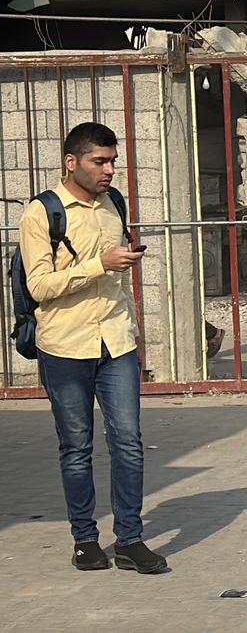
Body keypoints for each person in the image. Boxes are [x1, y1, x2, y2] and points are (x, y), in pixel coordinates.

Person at [19, 122, 169, 575]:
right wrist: (97, 264)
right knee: (77, 446)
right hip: (64, 345)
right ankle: (85, 538)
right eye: (98, 161)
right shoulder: (41, 214)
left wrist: (133, 328)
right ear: (72, 162)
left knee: (129, 443)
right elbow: (39, 285)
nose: (109, 170)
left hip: (117, 341)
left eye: (112, 161)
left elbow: (117, 283)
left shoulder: (113, 205)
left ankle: (130, 539)